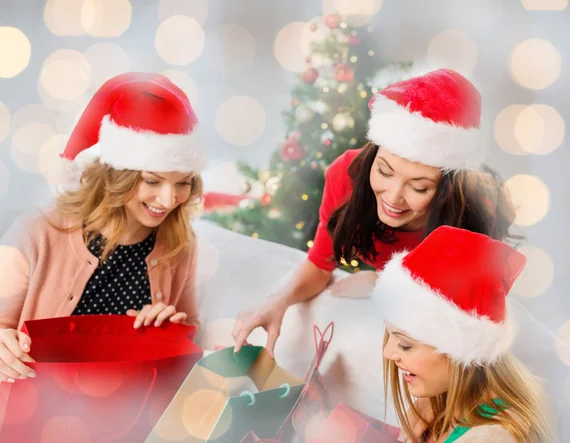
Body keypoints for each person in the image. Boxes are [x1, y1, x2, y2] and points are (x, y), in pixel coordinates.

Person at [232, 68, 519, 357]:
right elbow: (320, 265)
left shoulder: (474, 213)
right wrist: (277, 301)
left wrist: (388, 282)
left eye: (419, 188)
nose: (393, 197)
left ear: (447, 191)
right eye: (384, 171)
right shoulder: (346, 176)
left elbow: (465, 313)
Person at [0, 72, 206, 384]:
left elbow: (191, 335)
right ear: (118, 177)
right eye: (152, 181)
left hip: (127, 414)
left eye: (183, 183)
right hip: (38, 412)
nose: (169, 199)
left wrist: (170, 331)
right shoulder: (38, 232)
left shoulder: (180, 244)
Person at [375, 226, 551, 443]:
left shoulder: (491, 438)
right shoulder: (439, 405)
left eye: (405, 345)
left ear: (460, 350)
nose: (387, 353)